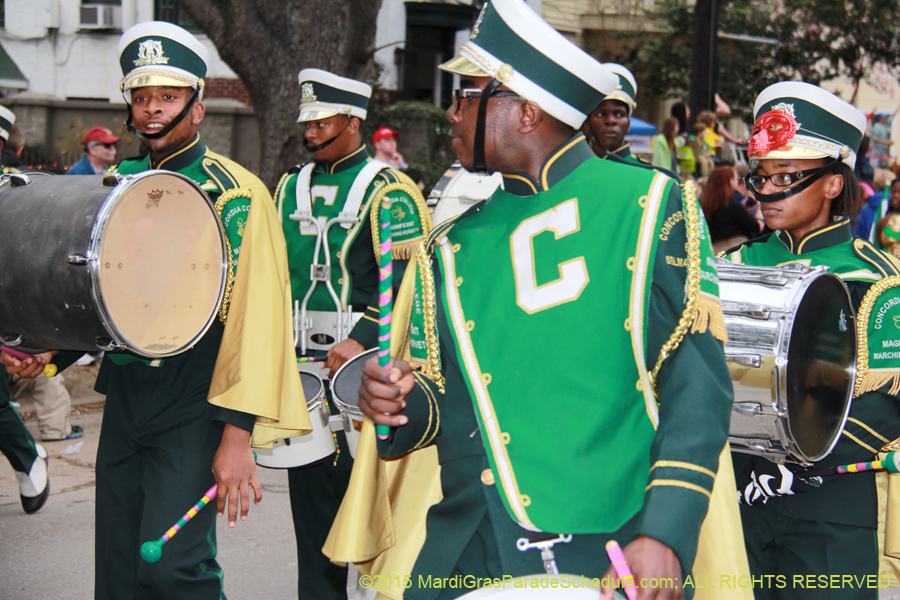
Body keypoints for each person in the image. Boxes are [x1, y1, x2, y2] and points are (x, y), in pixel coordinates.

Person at [349, 1, 735, 598]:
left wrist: (666, 531)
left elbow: (698, 387)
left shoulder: (651, 207)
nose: (451, 112)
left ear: (525, 111)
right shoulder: (453, 240)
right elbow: (457, 401)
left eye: (467, 95)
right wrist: (398, 401)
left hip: (608, 542)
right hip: (467, 546)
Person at [4, 21, 307, 599]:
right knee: (118, 572)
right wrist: (48, 353)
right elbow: (105, 298)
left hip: (195, 404)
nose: (151, 111)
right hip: (125, 398)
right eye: (140, 98)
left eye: (167, 97)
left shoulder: (237, 194)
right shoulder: (118, 185)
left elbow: (257, 324)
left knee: (173, 569)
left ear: (197, 104)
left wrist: (237, 437)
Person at [725, 81, 900, 600]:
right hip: (736, 503)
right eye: (761, 176)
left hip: (830, 508)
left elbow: (884, 411)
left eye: (787, 177)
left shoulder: (877, 280)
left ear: (831, 184)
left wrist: (790, 460)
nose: (766, 192)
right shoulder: (730, 268)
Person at [274, 68, 430, 600]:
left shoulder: (392, 190)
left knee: (369, 504)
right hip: (303, 368)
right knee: (313, 515)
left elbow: (412, 279)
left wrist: (362, 336)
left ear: (354, 121)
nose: (311, 131)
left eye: (323, 120)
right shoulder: (287, 187)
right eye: (308, 120)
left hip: (365, 369)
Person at [700, 166, 760, 253]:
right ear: (730, 181)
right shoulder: (732, 204)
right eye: (736, 179)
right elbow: (755, 226)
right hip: (734, 250)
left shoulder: (706, 203)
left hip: (714, 250)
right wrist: (759, 214)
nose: (737, 181)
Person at [875, 178, 900, 257]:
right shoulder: (883, 222)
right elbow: (877, 247)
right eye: (893, 192)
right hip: (887, 267)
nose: (896, 195)